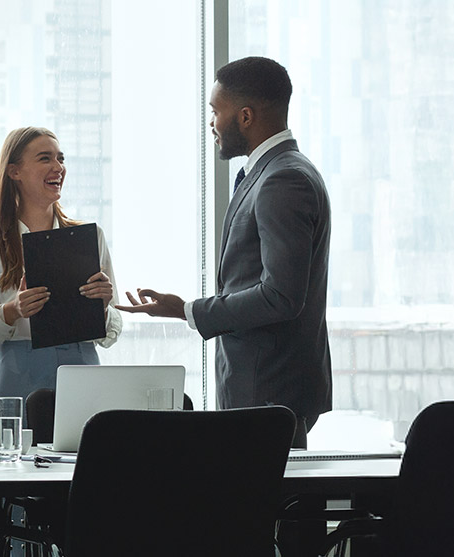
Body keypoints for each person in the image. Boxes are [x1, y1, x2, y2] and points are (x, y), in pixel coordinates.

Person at [117, 56, 332, 448]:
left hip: (267, 393)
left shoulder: (282, 179)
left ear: (245, 116)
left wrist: (190, 310)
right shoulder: (276, 171)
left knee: (258, 510)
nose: (212, 123)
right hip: (265, 391)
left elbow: (280, 296)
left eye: (216, 111)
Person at [0, 126, 120, 399]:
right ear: (14, 172)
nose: (58, 167)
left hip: (83, 371)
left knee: (85, 442)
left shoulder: (91, 236)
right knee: (17, 443)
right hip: (17, 373)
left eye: (61, 158)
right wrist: (10, 311)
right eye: (45, 158)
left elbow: (113, 329)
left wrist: (102, 309)